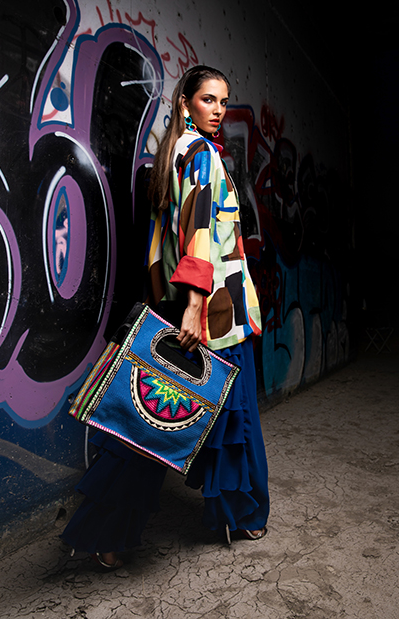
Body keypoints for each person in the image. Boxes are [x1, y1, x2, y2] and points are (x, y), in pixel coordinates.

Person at [61, 65, 269, 570]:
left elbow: (159, 243)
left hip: (182, 305)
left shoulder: (170, 155)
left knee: (153, 423)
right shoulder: (199, 154)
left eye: (223, 100)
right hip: (213, 311)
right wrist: (195, 306)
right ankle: (242, 515)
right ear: (185, 103)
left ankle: (107, 534)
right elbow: (199, 230)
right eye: (208, 99)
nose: (218, 109)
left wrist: (169, 304)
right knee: (223, 415)